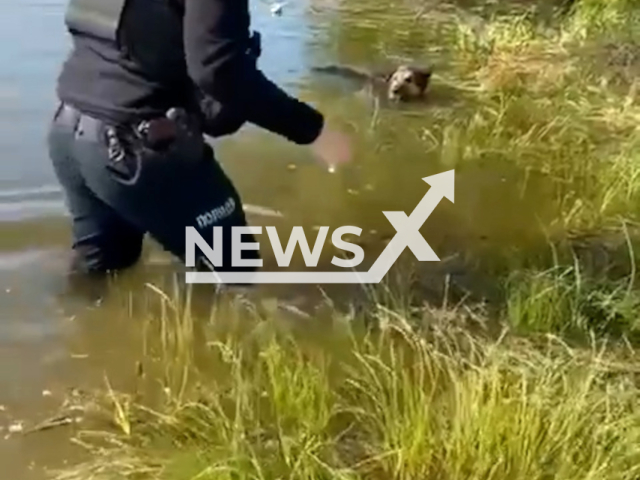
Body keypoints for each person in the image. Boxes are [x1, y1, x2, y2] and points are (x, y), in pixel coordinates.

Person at [47, 0, 352, 281]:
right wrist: (314, 131)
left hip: (70, 130)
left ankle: (82, 335)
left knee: (100, 271)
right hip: (137, 146)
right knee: (236, 269)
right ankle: (209, 337)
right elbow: (219, 69)